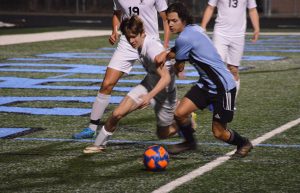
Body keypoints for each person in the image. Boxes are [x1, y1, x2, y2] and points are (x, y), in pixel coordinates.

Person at [157, 2, 253, 157]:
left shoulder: (184, 39)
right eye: (168, 20)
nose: (170, 24)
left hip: (224, 87)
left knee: (219, 132)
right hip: (207, 85)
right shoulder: (195, 29)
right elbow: (181, 49)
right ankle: (189, 142)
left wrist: (164, 69)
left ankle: (243, 143)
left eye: (174, 21)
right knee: (180, 113)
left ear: (183, 20)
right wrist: (167, 53)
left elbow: (179, 67)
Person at [72, 0, 170, 139]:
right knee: (107, 84)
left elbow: (165, 19)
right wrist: (114, 31)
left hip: (150, 42)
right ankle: (92, 128)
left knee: (160, 84)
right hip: (127, 42)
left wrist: (165, 47)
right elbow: (117, 14)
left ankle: (181, 112)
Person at [83, 15, 178, 154]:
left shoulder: (151, 49)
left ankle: (184, 122)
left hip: (165, 92)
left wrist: (149, 97)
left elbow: (166, 78)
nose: (131, 41)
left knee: (163, 134)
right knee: (117, 113)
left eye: (134, 36)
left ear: (142, 33)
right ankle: (99, 144)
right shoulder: (138, 45)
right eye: (128, 37)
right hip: (149, 83)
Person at [201, 0, 260, 99]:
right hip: (220, 33)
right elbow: (210, 7)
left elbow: (252, 9)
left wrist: (256, 28)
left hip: (238, 35)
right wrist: (203, 26)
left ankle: (230, 102)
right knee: (215, 67)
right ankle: (213, 98)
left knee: (234, 69)